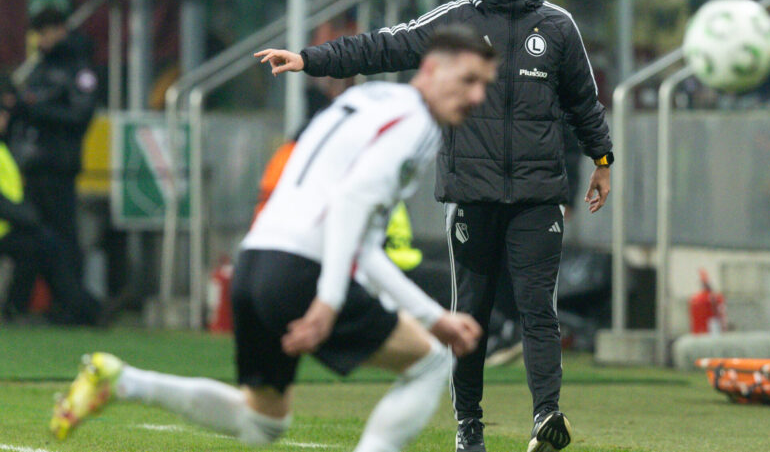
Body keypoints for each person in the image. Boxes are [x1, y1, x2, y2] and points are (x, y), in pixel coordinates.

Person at [257, 0, 614, 452]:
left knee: (539, 308)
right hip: (471, 192)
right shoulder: (457, 21)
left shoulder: (558, 26)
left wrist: (603, 161)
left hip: (538, 195)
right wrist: (310, 60)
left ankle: (547, 417)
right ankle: (469, 426)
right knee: (468, 313)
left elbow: (584, 103)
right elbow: (383, 47)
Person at [48, 26, 492, 451]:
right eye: (468, 80)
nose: (476, 97)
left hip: (256, 262)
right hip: (303, 271)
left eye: (484, 86)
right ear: (431, 68)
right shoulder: (416, 122)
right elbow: (350, 204)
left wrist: (434, 317)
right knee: (430, 363)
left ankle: (122, 381)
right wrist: (329, 300)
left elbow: (362, 239)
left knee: (262, 421)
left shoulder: (366, 100)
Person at [9, 6, 98, 283]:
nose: (40, 40)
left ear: (61, 30)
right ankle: (31, 303)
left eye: (45, 33)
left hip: (59, 166)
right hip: (31, 165)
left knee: (63, 235)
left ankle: (73, 303)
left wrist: (35, 110)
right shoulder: (41, 66)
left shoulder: (79, 68)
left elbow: (80, 116)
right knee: (33, 236)